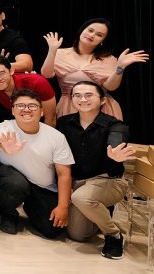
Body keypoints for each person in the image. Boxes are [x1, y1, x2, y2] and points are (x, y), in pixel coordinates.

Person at [56, 81, 134, 259]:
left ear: (103, 100)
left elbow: (116, 141)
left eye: (89, 95)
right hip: (76, 183)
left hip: (108, 180)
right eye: (77, 95)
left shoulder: (115, 125)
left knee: (81, 198)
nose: (83, 99)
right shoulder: (63, 123)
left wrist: (115, 153)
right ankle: (101, 211)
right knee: (78, 235)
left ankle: (113, 235)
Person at [0, 89, 74, 237]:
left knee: (52, 231)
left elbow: (64, 174)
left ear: (41, 111)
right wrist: (6, 146)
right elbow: (0, 139)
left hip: (41, 187)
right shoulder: (5, 126)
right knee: (16, 184)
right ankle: (8, 214)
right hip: (11, 178)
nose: (26, 109)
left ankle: (30, 206)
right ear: (13, 110)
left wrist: (62, 206)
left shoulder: (56, 137)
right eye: (20, 105)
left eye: (32, 106)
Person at [40, 18, 148, 118]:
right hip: (70, 106)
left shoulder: (110, 59)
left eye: (99, 35)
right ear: (82, 30)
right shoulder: (60, 53)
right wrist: (52, 50)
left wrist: (120, 67)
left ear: (102, 41)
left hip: (102, 109)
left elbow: (111, 87)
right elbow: (46, 74)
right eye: (90, 30)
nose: (92, 35)